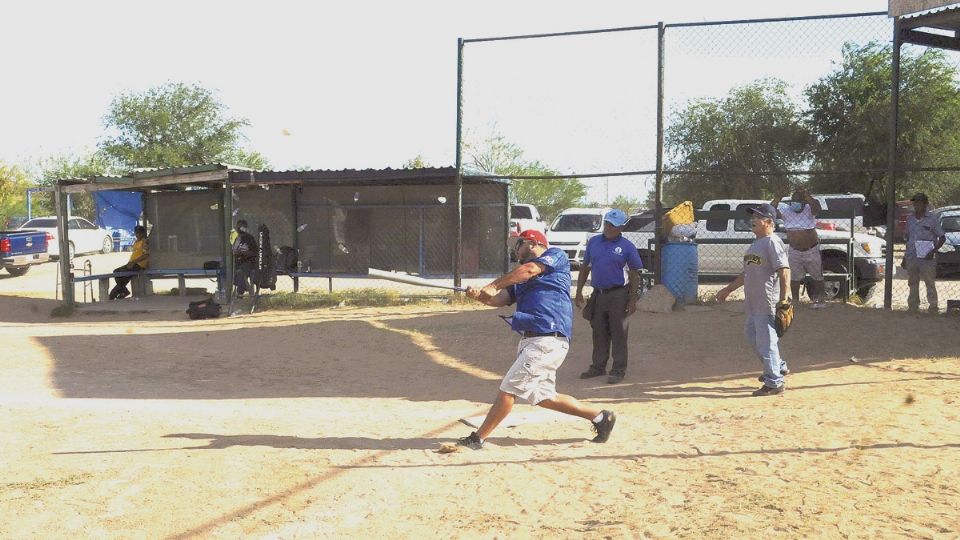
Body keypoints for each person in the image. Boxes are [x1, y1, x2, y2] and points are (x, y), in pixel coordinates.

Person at [456, 229, 617, 450]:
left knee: (509, 388)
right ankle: (600, 417)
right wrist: (481, 297)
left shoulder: (555, 256)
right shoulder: (519, 279)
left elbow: (529, 269)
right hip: (532, 339)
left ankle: (478, 438)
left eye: (518, 244)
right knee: (543, 396)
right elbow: (501, 299)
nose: (515, 250)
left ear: (533, 243)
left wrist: (494, 285)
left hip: (548, 338)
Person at [715, 204, 791, 397]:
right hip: (753, 302)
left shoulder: (772, 242)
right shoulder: (756, 244)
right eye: (753, 216)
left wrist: (784, 297)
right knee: (752, 335)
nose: (753, 219)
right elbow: (747, 273)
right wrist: (728, 289)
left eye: (758, 216)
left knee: (766, 341)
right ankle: (778, 366)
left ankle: (774, 382)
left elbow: (784, 270)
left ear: (769, 222)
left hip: (766, 300)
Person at [574, 209, 644, 384]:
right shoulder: (594, 242)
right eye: (607, 223)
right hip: (598, 294)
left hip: (618, 294)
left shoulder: (627, 246)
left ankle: (618, 370)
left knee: (619, 332)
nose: (608, 227)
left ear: (620, 227)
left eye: (613, 225)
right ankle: (598, 366)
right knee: (598, 331)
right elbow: (585, 268)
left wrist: (632, 299)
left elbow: (635, 274)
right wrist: (579, 291)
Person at [771, 186, 824, 308]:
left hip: (811, 249)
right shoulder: (786, 210)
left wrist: (806, 195)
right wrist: (778, 198)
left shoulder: (809, 209)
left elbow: (817, 208)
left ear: (804, 202)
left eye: (799, 201)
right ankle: (795, 300)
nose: (796, 204)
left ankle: (821, 298)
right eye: (794, 201)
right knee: (794, 277)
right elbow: (770, 212)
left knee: (817, 276)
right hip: (794, 250)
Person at [903, 192, 946, 314]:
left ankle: (933, 307)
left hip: (927, 257)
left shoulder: (932, 219)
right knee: (912, 282)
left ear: (926, 204)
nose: (916, 205)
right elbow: (907, 237)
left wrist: (933, 251)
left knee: (929, 282)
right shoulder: (910, 219)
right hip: (912, 255)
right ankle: (913, 306)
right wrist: (905, 257)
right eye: (915, 202)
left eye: (919, 202)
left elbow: (942, 237)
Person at [109, 225, 149, 300]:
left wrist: (133, 262)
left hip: (139, 265)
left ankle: (121, 292)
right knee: (118, 275)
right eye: (136, 233)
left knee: (118, 274)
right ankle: (123, 291)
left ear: (143, 233)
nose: (137, 235)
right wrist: (130, 262)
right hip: (133, 264)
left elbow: (146, 255)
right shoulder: (137, 242)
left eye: (139, 233)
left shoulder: (144, 241)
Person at [232, 220, 257, 297]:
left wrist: (244, 253)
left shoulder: (250, 238)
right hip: (236, 261)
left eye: (241, 227)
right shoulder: (235, 238)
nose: (239, 228)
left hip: (248, 261)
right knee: (230, 271)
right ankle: (247, 288)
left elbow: (254, 253)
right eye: (238, 227)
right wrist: (236, 253)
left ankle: (240, 292)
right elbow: (232, 251)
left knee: (241, 271)